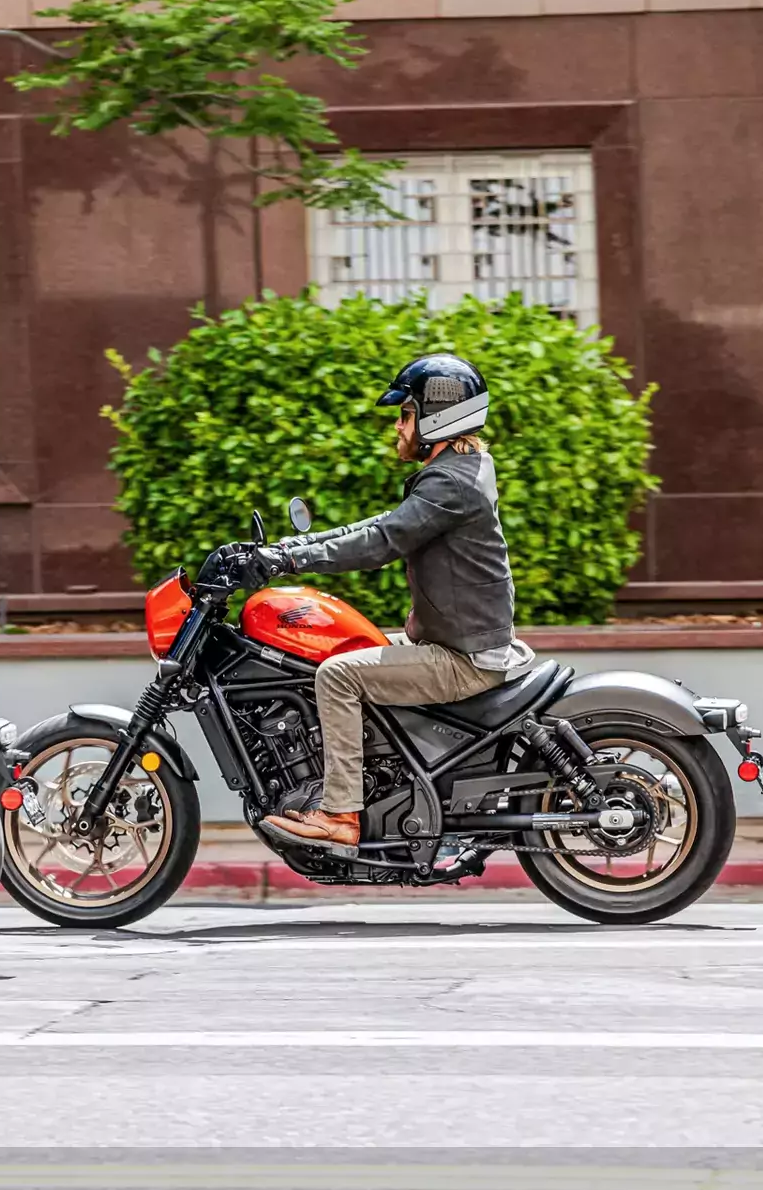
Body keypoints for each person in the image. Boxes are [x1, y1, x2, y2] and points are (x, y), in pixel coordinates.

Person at [221, 353, 532, 854]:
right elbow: (380, 525)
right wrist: (287, 549)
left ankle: (340, 816)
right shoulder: (459, 470)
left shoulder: (450, 482)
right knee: (337, 652)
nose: (398, 426)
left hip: (463, 658)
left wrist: (288, 561)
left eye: (406, 414)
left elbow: (380, 542)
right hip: (459, 644)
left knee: (337, 675)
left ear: (437, 417)